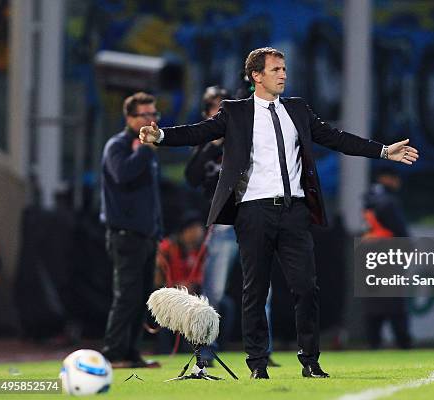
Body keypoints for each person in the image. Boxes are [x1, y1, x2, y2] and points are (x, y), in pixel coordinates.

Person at [139, 47, 419, 379]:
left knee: (306, 287)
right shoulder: (235, 112)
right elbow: (198, 132)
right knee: (254, 291)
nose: (283, 74)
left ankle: (310, 361)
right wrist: (161, 136)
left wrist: (384, 151)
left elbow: (336, 138)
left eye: (284, 69)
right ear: (256, 76)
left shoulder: (298, 109)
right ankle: (257, 364)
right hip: (253, 212)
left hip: (294, 211)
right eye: (275, 69)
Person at [185, 85, 280, 367]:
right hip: (223, 227)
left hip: (252, 222)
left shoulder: (245, 137)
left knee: (262, 291)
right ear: (206, 113)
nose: (222, 111)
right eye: (216, 107)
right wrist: (213, 143)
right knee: (213, 293)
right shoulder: (203, 142)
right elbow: (191, 177)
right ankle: (205, 349)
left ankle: (262, 351)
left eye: (225, 106)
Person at [100, 92, 163, 368]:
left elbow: (151, 198)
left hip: (146, 235)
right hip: (125, 235)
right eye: (145, 115)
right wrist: (143, 152)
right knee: (126, 296)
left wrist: (157, 231)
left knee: (142, 298)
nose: (151, 119)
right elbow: (121, 174)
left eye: (154, 114)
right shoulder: (118, 145)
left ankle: (131, 353)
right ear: (129, 118)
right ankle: (113, 353)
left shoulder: (146, 148)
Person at [361, 167, 411, 349]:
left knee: (372, 303)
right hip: (388, 254)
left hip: (369, 255)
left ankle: (373, 343)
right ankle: (403, 342)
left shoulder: (367, 198)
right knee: (395, 304)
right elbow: (401, 232)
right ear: (387, 178)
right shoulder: (388, 201)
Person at [154, 211, 206, 354]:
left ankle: (198, 349)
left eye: (199, 228)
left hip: (193, 296)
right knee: (164, 309)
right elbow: (157, 279)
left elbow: (202, 279)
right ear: (184, 231)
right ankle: (163, 351)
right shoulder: (166, 247)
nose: (197, 232)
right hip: (168, 295)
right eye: (193, 229)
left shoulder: (203, 250)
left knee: (225, 305)